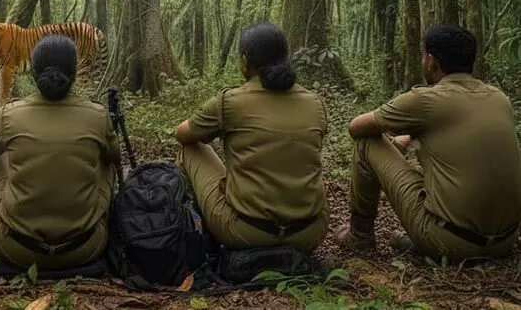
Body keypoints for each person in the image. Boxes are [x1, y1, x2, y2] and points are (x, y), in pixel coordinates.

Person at [338, 24, 521, 259]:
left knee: (366, 143)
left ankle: (359, 236)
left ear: (431, 61)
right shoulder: (499, 98)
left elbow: (356, 127)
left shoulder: (425, 100)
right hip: (504, 242)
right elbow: (453, 138)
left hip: (448, 242)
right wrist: (410, 138)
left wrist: (398, 138)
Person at [174, 23, 329, 252]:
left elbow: (182, 134)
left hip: (244, 233)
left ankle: (197, 233)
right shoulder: (316, 103)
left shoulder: (230, 102)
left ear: (245, 62)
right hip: (309, 235)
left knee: (189, 149)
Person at [0, 35, 119, 270]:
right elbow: (116, 158)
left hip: (16, 250)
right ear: (75, 74)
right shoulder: (98, 115)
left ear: (33, 74)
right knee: (108, 161)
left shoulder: (9, 115)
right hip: (86, 249)